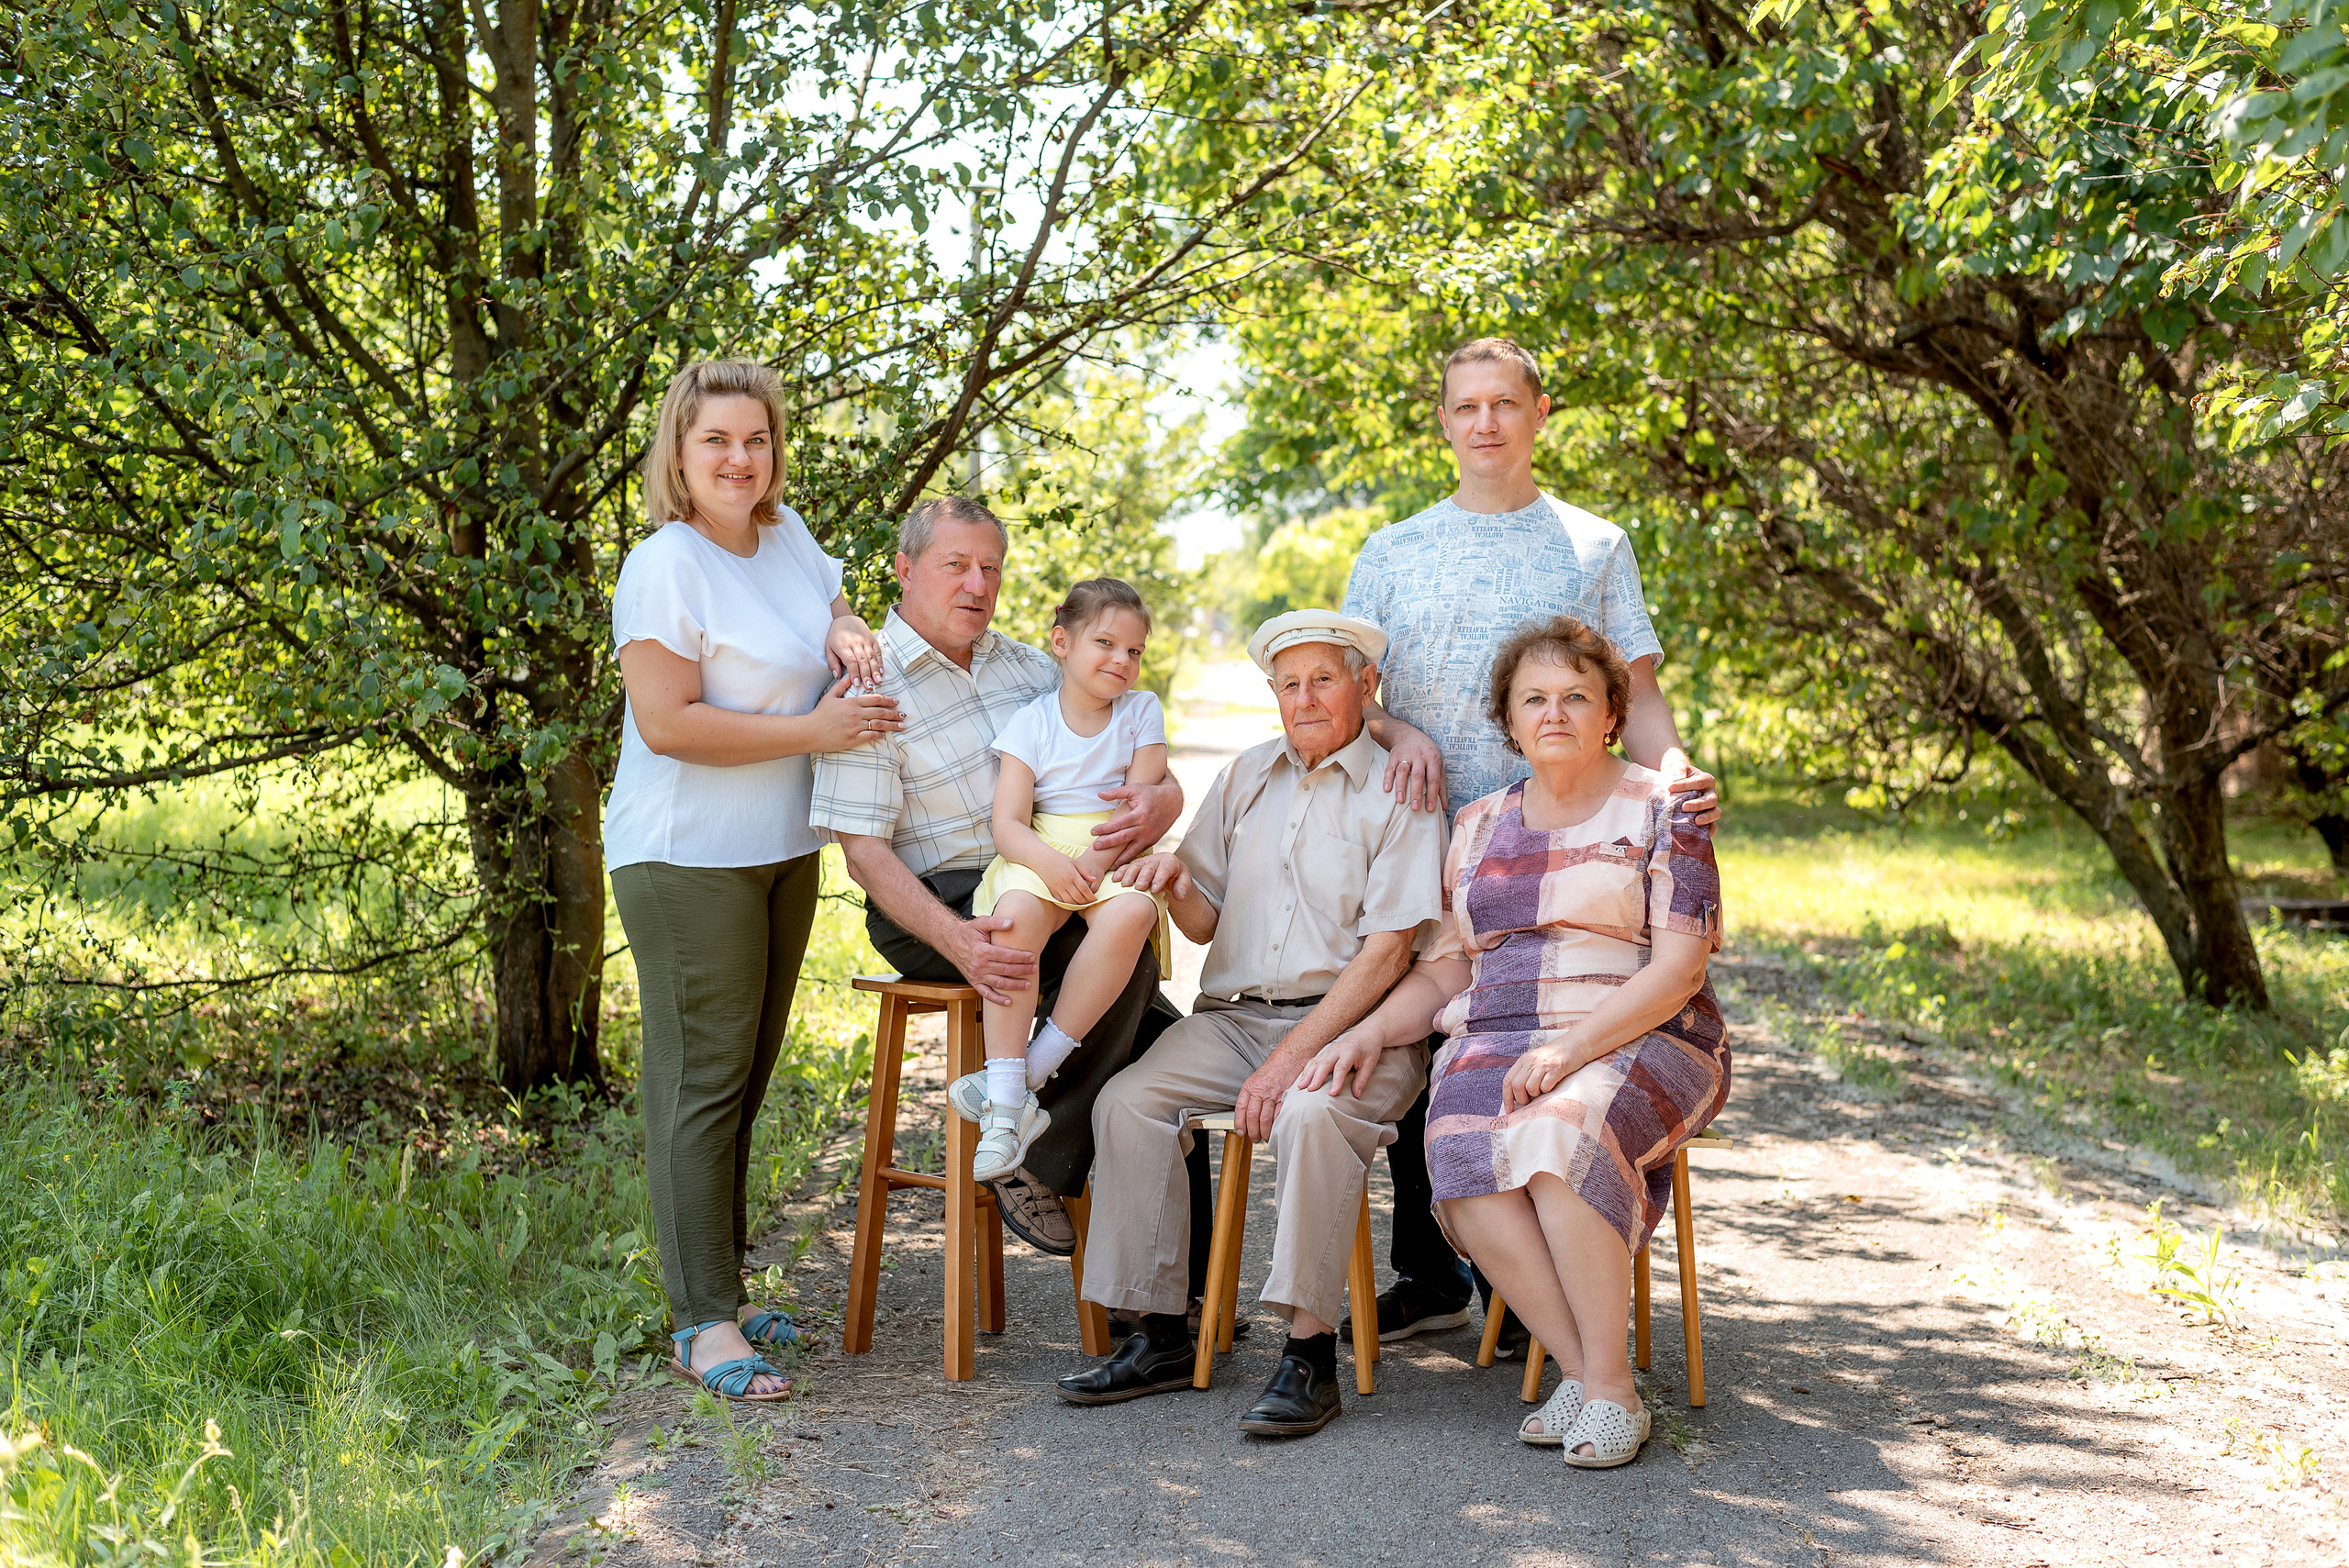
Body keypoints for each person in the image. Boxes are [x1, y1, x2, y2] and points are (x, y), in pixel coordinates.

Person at [1339, 335, 1722, 1353]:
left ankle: (1533, 1294)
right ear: (1443, 422)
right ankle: (1433, 1272)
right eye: (1466, 406)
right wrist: (1398, 728)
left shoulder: (1592, 545)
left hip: (1570, 832)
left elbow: (1633, 689)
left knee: (1532, 1031)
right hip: (1434, 829)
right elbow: (1351, 702)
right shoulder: (1392, 550)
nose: (1486, 424)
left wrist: (1674, 766)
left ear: (1539, 413)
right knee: (1435, 1030)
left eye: (1504, 403)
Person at [1326, 617, 1728, 1468]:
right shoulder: (1475, 827)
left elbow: (1682, 969)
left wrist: (1570, 1050)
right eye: (1534, 699)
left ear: (1612, 713)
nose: (1556, 713)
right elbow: (1445, 975)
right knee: (1461, 1150)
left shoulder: (1669, 807)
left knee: (1558, 1131)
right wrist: (1366, 1030)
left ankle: (1613, 1390)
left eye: (1577, 696)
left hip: (1645, 1026)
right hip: (1500, 1030)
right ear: (1507, 721)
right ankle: (1589, 1373)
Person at [1058, 610, 1446, 1439]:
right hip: (1236, 1022)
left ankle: (1309, 1355)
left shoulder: (1397, 788)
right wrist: (1173, 882)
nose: (1304, 698)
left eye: (1324, 680)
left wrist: (1288, 1063)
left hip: (1358, 1026)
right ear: (1273, 693)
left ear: (1365, 687)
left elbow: (1386, 958)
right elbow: (1204, 923)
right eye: (1289, 683)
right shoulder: (1244, 776)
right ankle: (1159, 1331)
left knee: (1307, 1112)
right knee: (1127, 1101)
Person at [607, 359, 904, 1402]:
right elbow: (666, 722)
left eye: (757, 439)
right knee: (698, 1084)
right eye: (716, 441)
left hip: (776, 848)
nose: (740, 459)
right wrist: (813, 728)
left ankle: (719, 1286)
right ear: (678, 455)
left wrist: (846, 627)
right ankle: (699, 1322)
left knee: (742, 1076)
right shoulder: (665, 564)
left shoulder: (784, 537)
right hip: (685, 855)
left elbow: (829, 604)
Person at [810, 498, 1184, 1254]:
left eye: (991, 567)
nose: (978, 584)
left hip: (1047, 875)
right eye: (956, 565)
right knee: (1120, 982)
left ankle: (1178, 1297)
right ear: (905, 569)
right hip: (935, 896)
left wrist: (1161, 801)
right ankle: (1037, 1158)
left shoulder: (1029, 665)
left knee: (1169, 1048)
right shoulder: (870, 681)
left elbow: (1138, 769)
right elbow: (865, 854)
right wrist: (959, 938)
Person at [952, 578, 1173, 1182]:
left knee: (1133, 913)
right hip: (1043, 847)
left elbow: (1141, 803)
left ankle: (1028, 1072)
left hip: (1112, 848)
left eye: (1134, 650)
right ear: (1061, 642)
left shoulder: (1140, 712)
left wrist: (1099, 864)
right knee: (1017, 915)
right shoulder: (1032, 724)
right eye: (1105, 642)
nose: (1121, 660)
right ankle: (1004, 1107)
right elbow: (1008, 822)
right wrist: (1051, 866)